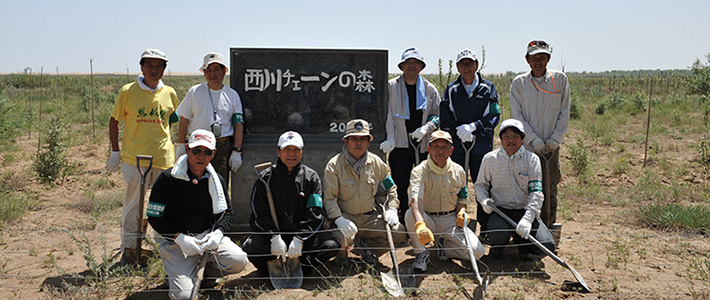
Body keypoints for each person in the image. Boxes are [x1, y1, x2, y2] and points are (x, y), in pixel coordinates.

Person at [147, 129, 248, 299]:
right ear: (187, 149)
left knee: (238, 260)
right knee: (185, 297)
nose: (201, 156)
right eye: (196, 150)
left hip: (206, 239)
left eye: (207, 152)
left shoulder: (216, 181)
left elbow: (227, 212)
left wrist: (218, 233)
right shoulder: (167, 179)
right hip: (178, 244)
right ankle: (177, 273)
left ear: (213, 153)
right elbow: (154, 216)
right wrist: (179, 238)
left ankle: (205, 275)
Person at [104, 48, 179, 265]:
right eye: (149, 66)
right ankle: (130, 247)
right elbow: (114, 120)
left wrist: (175, 146)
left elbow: (170, 121)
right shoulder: (128, 91)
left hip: (163, 158)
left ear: (164, 69)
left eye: (159, 66)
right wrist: (115, 152)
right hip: (133, 158)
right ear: (141, 67)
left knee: (162, 204)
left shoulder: (170, 93)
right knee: (133, 204)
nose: (154, 70)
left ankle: (163, 246)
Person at [243, 131, 340, 274]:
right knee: (251, 247)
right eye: (287, 149)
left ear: (302, 152)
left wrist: (300, 238)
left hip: (303, 239)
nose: (291, 154)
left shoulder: (311, 178)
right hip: (273, 237)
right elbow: (259, 213)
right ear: (278, 152)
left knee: (330, 246)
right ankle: (270, 269)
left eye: (296, 149)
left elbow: (315, 213)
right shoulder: (265, 179)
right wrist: (274, 237)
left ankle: (304, 267)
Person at [324, 119, 406, 265]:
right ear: (346, 141)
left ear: (368, 142)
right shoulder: (334, 166)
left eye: (363, 139)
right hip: (346, 218)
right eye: (354, 139)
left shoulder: (378, 164)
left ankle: (367, 250)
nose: (358, 143)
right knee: (341, 240)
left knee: (399, 232)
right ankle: (341, 257)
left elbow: (391, 189)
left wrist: (392, 209)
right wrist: (338, 219)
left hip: (371, 219)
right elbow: (329, 199)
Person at [440, 48, 500, 238]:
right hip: (457, 147)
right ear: (457, 67)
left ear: (477, 65)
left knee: (483, 185)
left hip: (481, 146)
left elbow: (494, 114)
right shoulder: (451, 90)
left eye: (470, 63)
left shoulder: (488, 88)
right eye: (462, 64)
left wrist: (475, 127)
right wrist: (457, 130)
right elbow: (445, 117)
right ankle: (454, 226)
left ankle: (485, 228)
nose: (466, 67)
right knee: (456, 185)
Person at [474, 119, 555, 260]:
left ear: (522, 139)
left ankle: (522, 245)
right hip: (501, 211)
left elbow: (536, 192)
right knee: (497, 235)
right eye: (506, 136)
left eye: (515, 136)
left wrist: (528, 219)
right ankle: (498, 249)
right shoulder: (489, 159)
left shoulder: (532, 160)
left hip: (525, 210)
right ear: (500, 139)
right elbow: (480, 184)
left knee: (547, 245)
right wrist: (484, 200)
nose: (510, 140)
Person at [509, 40, 570, 228]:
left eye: (542, 57)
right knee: (526, 188)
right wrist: (534, 140)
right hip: (527, 148)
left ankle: (548, 229)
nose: (538, 61)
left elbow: (564, 112)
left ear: (548, 59)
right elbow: (517, 116)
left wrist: (554, 141)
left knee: (550, 188)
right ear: (527, 60)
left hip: (551, 147)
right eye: (534, 58)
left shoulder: (559, 80)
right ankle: (528, 231)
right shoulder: (519, 83)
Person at [405, 130, 485, 272]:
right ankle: (421, 253)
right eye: (436, 146)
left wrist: (461, 213)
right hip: (427, 218)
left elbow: (462, 198)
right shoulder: (419, 171)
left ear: (451, 150)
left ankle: (444, 248)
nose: (440, 151)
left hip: (449, 220)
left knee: (477, 252)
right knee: (410, 214)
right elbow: (416, 199)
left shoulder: (459, 171)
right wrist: (420, 224)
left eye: (444, 147)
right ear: (429, 149)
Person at [381, 47, 441, 222]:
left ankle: (423, 217)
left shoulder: (430, 89)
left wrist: (426, 129)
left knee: (423, 183)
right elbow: (388, 113)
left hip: (422, 144)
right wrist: (390, 137)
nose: (412, 66)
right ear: (402, 67)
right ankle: (402, 218)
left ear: (421, 66)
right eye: (408, 63)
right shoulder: (392, 86)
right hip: (399, 145)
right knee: (400, 183)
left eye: (415, 63)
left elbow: (437, 115)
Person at [176, 52, 244, 183]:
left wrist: (237, 151)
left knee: (219, 185)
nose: (212, 74)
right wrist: (180, 145)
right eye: (208, 71)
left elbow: (238, 124)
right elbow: (184, 119)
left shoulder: (232, 95)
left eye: (216, 70)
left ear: (224, 71)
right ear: (204, 73)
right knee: (194, 184)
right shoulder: (194, 92)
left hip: (221, 146)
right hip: (197, 146)